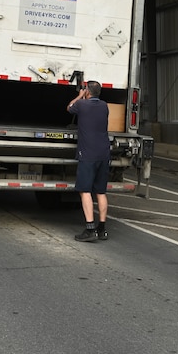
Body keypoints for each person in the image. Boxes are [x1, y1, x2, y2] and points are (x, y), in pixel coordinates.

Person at [67, 80, 110, 242]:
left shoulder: (82, 106)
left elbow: (69, 108)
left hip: (88, 154)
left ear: (87, 92)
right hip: (104, 153)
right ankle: (102, 229)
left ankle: (90, 228)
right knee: (100, 192)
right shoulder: (104, 106)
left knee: (85, 190)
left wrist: (79, 96)